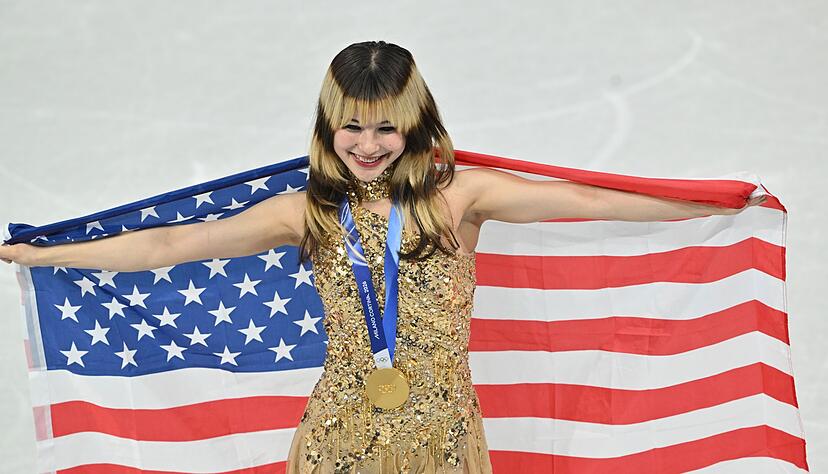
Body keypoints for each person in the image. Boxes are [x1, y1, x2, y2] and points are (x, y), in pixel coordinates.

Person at [0, 40, 766, 473]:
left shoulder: (459, 200)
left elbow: (593, 203)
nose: (368, 146)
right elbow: (171, 244)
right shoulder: (305, 213)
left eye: (386, 129)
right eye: (352, 129)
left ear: (414, 123)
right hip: (337, 437)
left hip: (444, 440)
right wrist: (45, 254)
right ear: (328, 128)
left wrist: (710, 202)